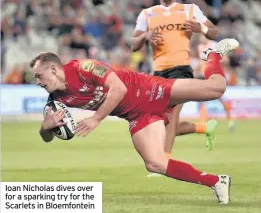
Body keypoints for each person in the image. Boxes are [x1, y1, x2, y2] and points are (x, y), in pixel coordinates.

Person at [31, 38, 239, 205]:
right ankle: (216, 181)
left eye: (39, 76)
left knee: (216, 89)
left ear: (53, 69)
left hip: (149, 90)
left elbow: (119, 89)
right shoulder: (55, 100)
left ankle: (213, 56)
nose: (38, 82)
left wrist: (96, 118)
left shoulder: (83, 67)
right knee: (155, 163)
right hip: (137, 115)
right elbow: (49, 137)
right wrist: (45, 128)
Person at [131, 0, 219, 164]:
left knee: (171, 116)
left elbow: (213, 31)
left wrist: (201, 29)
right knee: (159, 124)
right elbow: (133, 43)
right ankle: (203, 127)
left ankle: (165, 162)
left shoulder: (190, 9)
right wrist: (145, 36)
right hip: (158, 73)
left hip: (181, 70)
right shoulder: (147, 14)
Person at [196, 34, 236, 131]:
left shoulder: (215, 45)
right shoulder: (200, 47)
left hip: (214, 75)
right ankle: (203, 123)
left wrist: (214, 58)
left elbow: (226, 60)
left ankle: (230, 119)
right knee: (201, 99)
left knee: (220, 98)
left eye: (203, 36)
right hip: (203, 76)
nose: (201, 38)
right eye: (200, 37)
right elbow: (202, 62)